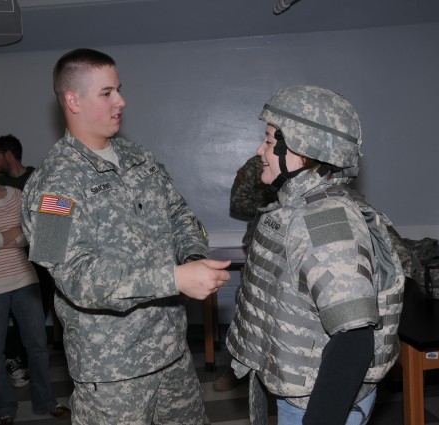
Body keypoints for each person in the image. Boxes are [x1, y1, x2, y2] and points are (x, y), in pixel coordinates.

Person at [21, 48, 231, 424]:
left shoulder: (138, 157)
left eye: (119, 89)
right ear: (73, 100)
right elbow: (73, 276)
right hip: (113, 373)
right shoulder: (53, 185)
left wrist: (192, 256)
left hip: (172, 353)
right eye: (106, 93)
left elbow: (180, 214)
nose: (121, 101)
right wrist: (172, 278)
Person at [226, 85, 403, 425]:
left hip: (320, 404)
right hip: (304, 393)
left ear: (302, 149)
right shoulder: (296, 208)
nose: (259, 150)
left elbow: (354, 338)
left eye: (267, 140)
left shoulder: (325, 221)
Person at [0, 141, 70, 425]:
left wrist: (2, 235)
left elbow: (31, 236)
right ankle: (4, 408)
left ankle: (46, 401)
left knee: (37, 345)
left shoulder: (17, 194)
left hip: (24, 278)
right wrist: (12, 232)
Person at [213, 155, 278, 392]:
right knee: (248, 307)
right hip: (262, 242)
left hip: (297, 244)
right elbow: (237, 204)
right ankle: (235, 369)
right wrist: (270, 205)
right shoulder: (257, 164)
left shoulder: (311, 163)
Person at [0, 134, 41, 388]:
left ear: (8, 154)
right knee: (6, 316)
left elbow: (51, 212)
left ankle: (36, 366)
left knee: (35, 316)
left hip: (37, 257)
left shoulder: (37, 176)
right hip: (7, 257)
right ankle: (14, 360)